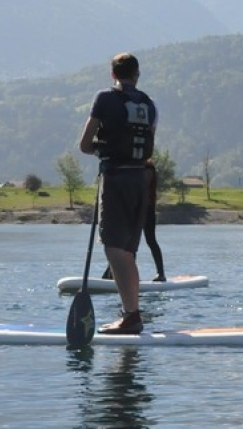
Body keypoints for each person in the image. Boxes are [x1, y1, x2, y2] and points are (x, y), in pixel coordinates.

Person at [79, 52, 157, 334]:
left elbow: (85, 144)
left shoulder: (104, 98)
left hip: (116, 178)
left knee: (114, 249)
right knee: (127, 252)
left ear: (113, 74)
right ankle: (132, 314)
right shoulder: (150, 104)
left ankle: (131, 317)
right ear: (137, 74)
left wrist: (103, 147)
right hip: (142, 180)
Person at [102, 159, 166, 282]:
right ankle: (110, 272)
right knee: (124, 243)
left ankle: (160, 274)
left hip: (145, 211)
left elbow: (139, 186)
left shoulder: (148, 169)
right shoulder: (137, 169)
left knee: (148, 241)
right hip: (133, 210)